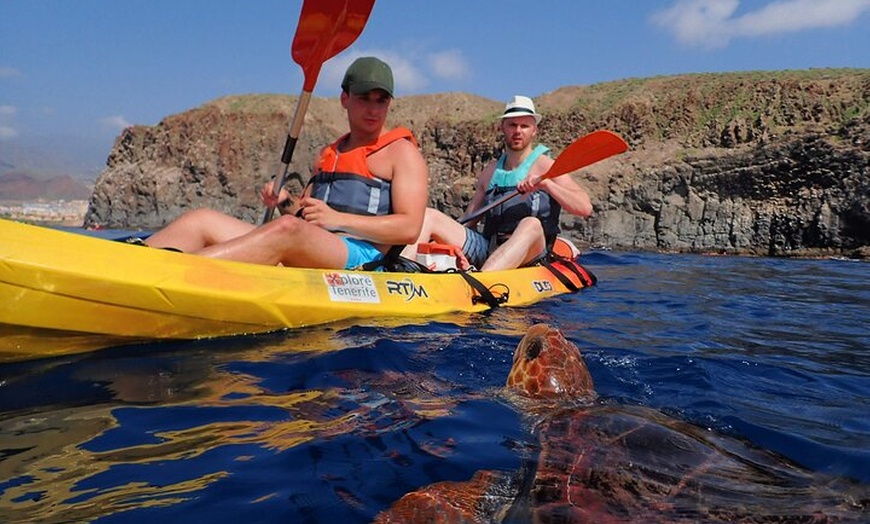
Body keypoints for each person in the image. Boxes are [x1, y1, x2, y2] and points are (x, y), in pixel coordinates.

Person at [145, 57, 429, 270]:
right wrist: (284, 201)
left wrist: (339, 220)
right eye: (364, 98)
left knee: (286, 231)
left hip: (362, 255)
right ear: (345, 98)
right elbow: (303, 216)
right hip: (311, 242)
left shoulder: (402, 153)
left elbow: (408, 228)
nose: (372, 108)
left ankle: (169, 272)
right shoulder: (331, 152)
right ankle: (131, 262)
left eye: (381, 100)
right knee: (202, 219)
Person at [407, 95, 592, 271]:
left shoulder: (547, 166)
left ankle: (482, 280)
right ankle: (402, 271)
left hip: (533, 253)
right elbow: (469, 220)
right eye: (512, 125)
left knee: (531, 224)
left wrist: (546, 185)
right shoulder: (489, 172)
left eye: (524, 126)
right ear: (502, 127)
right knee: (429, 216)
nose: (518, 131)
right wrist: (436, 243)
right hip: (489, 248)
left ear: (534, 130)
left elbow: (584, 208)